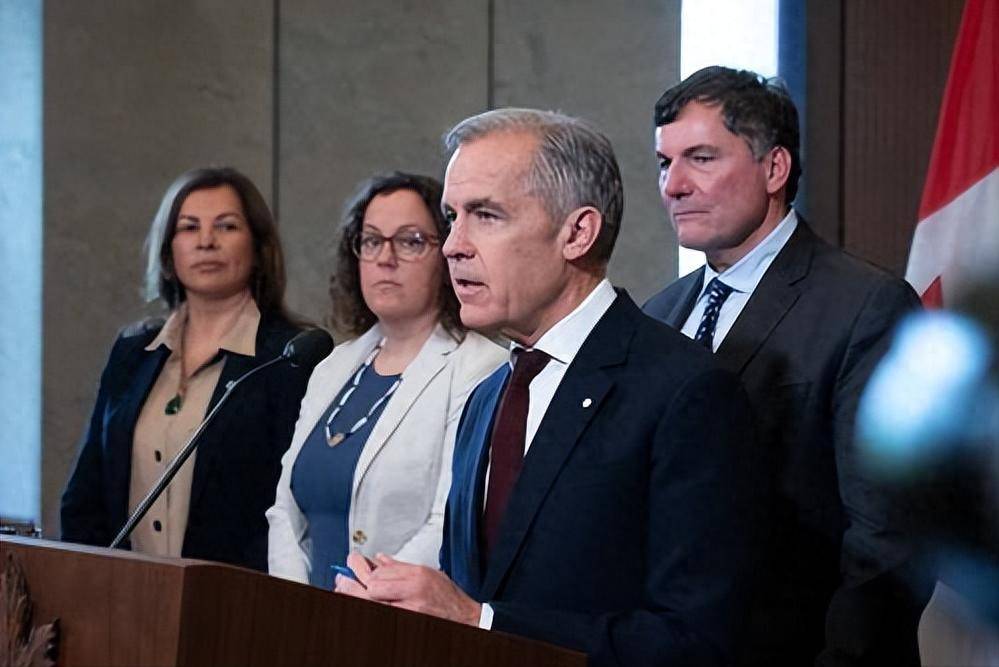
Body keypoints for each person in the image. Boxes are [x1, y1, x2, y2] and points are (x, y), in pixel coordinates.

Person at [334, 110, 760, 666]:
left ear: (577, 233)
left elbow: (695, 641)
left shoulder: (684, 391)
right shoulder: (487, 396)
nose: (453, 246)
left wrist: (481, 623)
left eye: (485, 215)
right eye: (452, 218)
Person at [643, 66, 928, 666]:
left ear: (775, 168)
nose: (674, 185)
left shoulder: (867, 306)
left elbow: (890, 539)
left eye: (700, 158)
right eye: (665, 163)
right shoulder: (659, 314)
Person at [61, 167, 329, 572]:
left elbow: (296, 509)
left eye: (226, 226)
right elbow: (85, 495)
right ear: (168, 253)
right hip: (122, 595)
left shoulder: (288, 358)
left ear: (258, 248)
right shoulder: (133, 352)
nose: (206, 241)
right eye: (189, 227)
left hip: (234, 598)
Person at [266, 172, 505, 589]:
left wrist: (364, 598)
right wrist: (293, 604)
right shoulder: (331, 367)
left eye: (410, 241)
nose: (385, 258)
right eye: (372, 240)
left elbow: (448, 520)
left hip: (399, 616)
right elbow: (284, 512)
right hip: (299, 618)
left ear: (447, 254)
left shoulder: (481, 369)